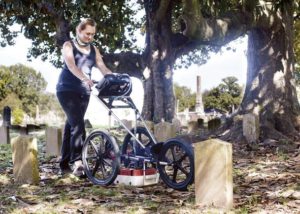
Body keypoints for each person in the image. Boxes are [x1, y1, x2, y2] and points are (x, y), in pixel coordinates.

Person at [56, 18, 112, 177]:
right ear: (78, 31)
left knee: (71, 126)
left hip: (84, 91)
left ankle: (64, 164)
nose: (90, 37)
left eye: (93, 34)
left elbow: (102, 66)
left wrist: (113, 78)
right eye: (87, 33)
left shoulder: (94, 49)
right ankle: (78, 162)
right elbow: (71, 66)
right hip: (66, 90)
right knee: (78, 125)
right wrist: (85, 78)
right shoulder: (68, 45)